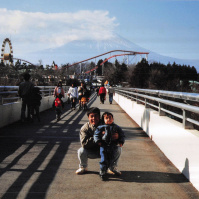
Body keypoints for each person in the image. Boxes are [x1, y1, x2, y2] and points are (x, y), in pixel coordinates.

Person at [76, 107, 121, 175]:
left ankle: (112, 168)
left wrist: (118, 137)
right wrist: (98, 137)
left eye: (96, 116)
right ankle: (83, 167)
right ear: (88, 117)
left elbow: (118, 134)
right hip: (92, 150)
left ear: (99, 117)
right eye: (91, 116)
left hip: (106, 150)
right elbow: (84, 143)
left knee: (118, 149)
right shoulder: (85, 128)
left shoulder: (107, 124)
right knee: (81, 151)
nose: (94, 118)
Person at [94, 112, 125, 180]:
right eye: (106, 118)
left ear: (113, 119)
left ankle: (112, 168)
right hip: (104, 146)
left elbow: (122, 134)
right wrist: (98, 141)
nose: (108, 119)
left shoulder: (116, 127)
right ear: (103, 120)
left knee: (112, 158)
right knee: (104, 159)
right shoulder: (100, 127)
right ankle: (102, 171)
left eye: (110, 118)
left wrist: (121, 141)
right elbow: (96, 135)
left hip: (113, 146)